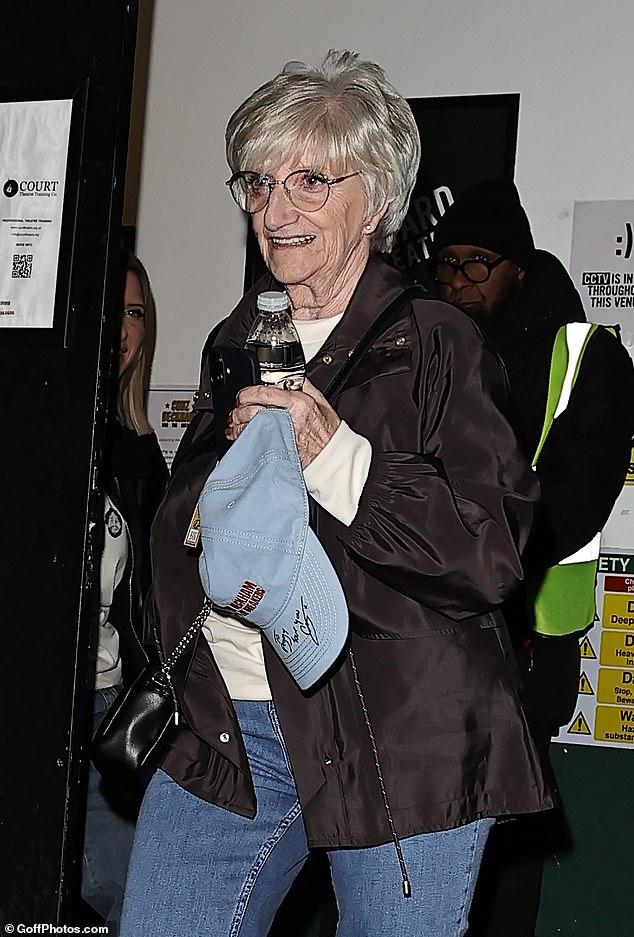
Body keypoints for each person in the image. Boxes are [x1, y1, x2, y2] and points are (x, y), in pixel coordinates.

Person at [120, 52, 553, 937]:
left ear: (380, 198)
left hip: (399, 733)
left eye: (311, 179)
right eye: (258, 181)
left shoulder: (440, 341)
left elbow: (491, 548)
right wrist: (203, 515)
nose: (275, 211)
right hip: (229, 726)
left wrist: (335, 455)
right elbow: (185, 511)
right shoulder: (237, 333)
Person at [427, 179, 634, 937]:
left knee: (499, 884)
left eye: (475, 263)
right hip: (422, 659)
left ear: (520, 266)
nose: (455, 280)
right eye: (444, 265)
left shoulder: (586, 357)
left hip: (523, 658)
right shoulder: (431, 350)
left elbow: (565, 505)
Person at [81, 248, 169, 925]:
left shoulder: (138, 454)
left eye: (135, 312)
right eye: (112, 306)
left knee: (120, 900)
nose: (121, 326)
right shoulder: (34, 429)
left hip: (110, 708)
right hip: (33, 707)